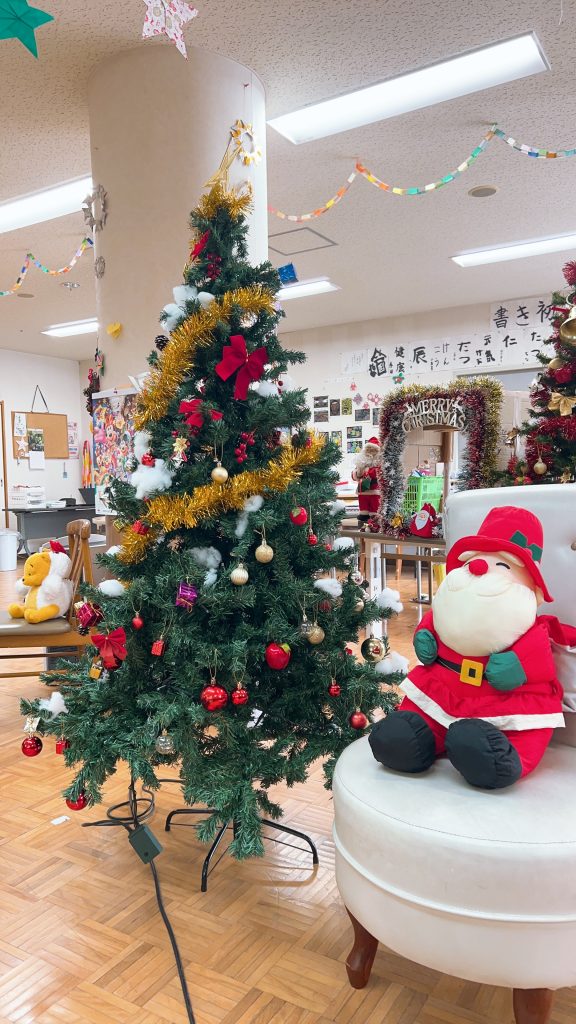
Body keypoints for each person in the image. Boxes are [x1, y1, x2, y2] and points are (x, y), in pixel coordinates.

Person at [351, 437, 380, 529]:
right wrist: (357, 473)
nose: (370, 453)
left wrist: (367, 471)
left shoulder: (378, 464)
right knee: (363, 510)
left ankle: (374, 525)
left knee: (374, 510)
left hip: (374, 492)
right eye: (369, 450)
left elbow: (376, 474)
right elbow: (354, 476)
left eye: (373, 450)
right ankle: (363, 525)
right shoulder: (361, 463)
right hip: (362, 491)